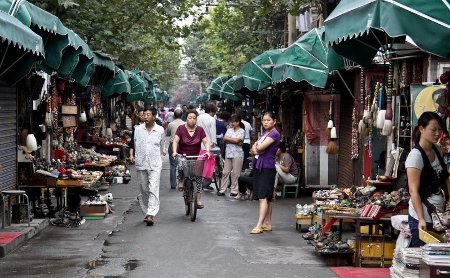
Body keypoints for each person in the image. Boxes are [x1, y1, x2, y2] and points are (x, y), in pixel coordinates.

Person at [406, 111, 450, 247]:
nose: (437, 133)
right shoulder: (415, 156)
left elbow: (445, 179)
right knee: (421, 260)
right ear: (421, 129)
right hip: (423, 216)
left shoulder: (437, 149)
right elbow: (413, 191)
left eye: (440, 129)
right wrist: (420, 219)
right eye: (433, 129)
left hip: (439, 216)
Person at [130, 104, 166, 226]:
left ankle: (151, 213)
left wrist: (164, 151)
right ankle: (146, 211)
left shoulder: (160, 130)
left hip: (155, 163)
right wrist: (133, 155)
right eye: (144, 115)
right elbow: (134, 144)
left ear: (154, 117)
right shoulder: (138, 129)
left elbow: (162, 146)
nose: (145, 117)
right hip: (141, 163)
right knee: (144, 189)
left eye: (148, 115)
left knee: (154, 188)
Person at [172, 110, 210, 209]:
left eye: (194, 118)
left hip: (196, 156)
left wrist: (207, 151)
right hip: (183, 155)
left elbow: (206, 142)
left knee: (198, 177)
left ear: (196, 119)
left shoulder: (200, 130)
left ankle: (198, 200)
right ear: (186, 118)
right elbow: (175, 141)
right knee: (180, 164)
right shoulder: (180, 128)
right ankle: (181, 180)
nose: (192, 120)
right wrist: (175, 152)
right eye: (190, 118)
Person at [250, 111, 280, 234]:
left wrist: (257, 146)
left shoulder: (274, 133)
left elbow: (259, 148)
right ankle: (267, 223)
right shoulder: (265, 133)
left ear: (274, 121)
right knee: (266, 197)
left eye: (268, 120)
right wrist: (257, 147)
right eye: (264, 120)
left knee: (263, 197)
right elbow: (253, 148)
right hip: (259, 166)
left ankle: (259, 224)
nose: (265, 122)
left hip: (267, 167)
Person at [217, 114, 245, 197]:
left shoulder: (242, 131)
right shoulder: (229, 130)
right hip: (228, 153)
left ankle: (234, 190)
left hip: (238, 154)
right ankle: (222, 190)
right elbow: (225, 139)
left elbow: (237, 140)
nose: (232, 123)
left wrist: (230, 140)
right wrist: (235, 141)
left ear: (238, 122)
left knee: (236, 173)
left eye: (234, 122)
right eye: (232, 122)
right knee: (225, 172)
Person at [196, 102, 217, 190]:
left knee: (200, 164)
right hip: (208, 144)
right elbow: (213, 132)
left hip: (199, 144)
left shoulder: (198, 117)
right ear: (211, 111)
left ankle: (198, 182)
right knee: (209, 165)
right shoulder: (211, 119)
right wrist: (214, 143)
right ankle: (206, 183)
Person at [166, 109, 184, 189]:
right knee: (183, 164)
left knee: (173, 165)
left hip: (173, 144)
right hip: (183, 145)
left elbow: (168, 133)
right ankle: (182, 182)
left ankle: (173, 184)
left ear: (174, 116)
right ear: (182, 115)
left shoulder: (170, 124)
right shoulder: (185, 124)